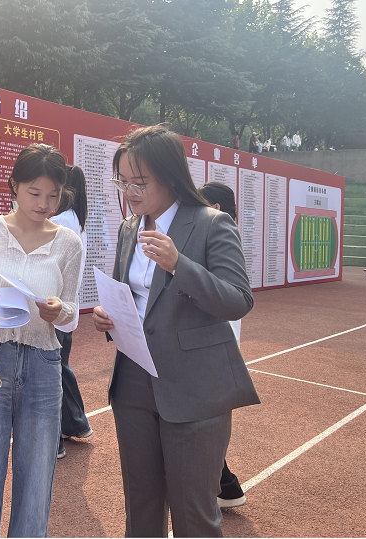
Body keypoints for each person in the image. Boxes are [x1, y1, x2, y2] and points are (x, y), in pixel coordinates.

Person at [94, 125, 259, 537]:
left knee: (194, 514)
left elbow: (238, 300)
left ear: (170, 177)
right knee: (141, 504)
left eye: (139, 182)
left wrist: (178, 265)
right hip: (133, 380)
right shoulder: (129, 228)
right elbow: (133, 295)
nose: (129, 191)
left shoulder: (212, 224)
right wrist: (108, 316)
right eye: (122, 181)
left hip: (194, 387)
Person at [0, 143, 83, 537]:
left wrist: (59, 310)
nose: (44, 204)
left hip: (44, 366)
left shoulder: (68, 243)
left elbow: (73, 311)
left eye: (53, 195)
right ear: (14, 185)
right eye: (34, 192)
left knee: (37, 478)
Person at [198, 182, 247, 510]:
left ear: (215, 207)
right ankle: (224, 486)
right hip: (215, 340)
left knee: (204, 422)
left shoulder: (220, 236)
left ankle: (224, 486)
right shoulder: (219, 233)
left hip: (215, 341)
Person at [50, 165, 93, 460]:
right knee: (60, 367)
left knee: (49, 375)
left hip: (54, 310)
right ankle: (76, 424)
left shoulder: (59, 222)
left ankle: (55, 441)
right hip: (67, 310)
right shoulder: (77, 220)